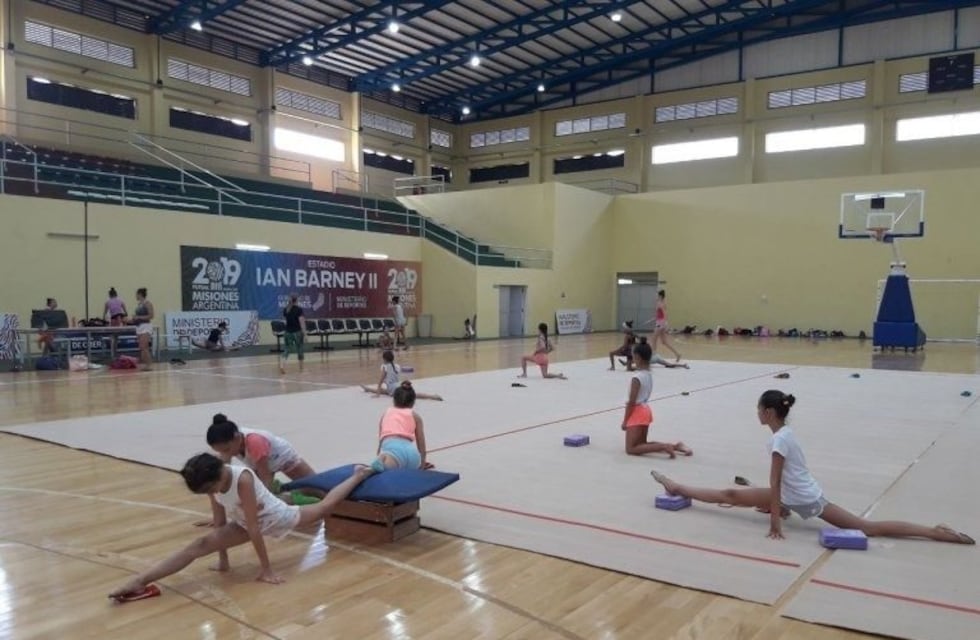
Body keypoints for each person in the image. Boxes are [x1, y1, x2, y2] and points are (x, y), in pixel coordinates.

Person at [650, 390, 975, 544]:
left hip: (804, 497)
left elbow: (776, 486)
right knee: (732, 493)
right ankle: (677, 486)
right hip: (796, 495)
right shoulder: (784, 432)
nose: (757, 413)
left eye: (758, 409)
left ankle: (936, 532)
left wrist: (776, 522)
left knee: (867, 527)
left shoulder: (779, 441)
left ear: (768, 412)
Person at [108, 454, 372, 601]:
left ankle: (358, 474)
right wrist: (223, 559)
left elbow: (256, 530)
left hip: (276, 517)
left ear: (217, 477)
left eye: (209, 489)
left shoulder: (241, 479)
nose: (210, 494)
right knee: (198, 546)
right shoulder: (211, 481)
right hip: (245, 521)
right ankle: (140, 581)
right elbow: (219, 519)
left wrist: (266, 570)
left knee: (324, 508)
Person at [622, 339, 693, 457]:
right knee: (642, 444)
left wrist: (625, 420)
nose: (632, 358)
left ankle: (664, 446)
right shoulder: (648, 374)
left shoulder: (636, 378)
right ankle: (676, 446)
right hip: (645, 410)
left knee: (631, 449)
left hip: (637, 412)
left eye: (633, 356)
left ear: (638, 357)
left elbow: (631, 402)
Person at [369, 381, 434, 472]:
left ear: (393, 400)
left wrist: (379, 453)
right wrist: (422, 463)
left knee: (381, 465)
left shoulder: (386, 413)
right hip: (412, 454)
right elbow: (421, 444)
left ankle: (380, 460)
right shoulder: (416, 416)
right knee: (408, 465)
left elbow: (381, 438)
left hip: (394, 453)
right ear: (413, 402)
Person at [361, 350, 443, 400]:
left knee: (384, 391)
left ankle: (368, 389)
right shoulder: (397, 365)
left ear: (385, 359)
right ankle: (432, 396)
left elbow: (380, 382)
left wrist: (377, 395)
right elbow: (404, 370)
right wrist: (411, 369)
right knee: (413, 394)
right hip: (398, 385)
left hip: (393, 388)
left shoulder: (384, 367)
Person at [644, 290, 682, 362]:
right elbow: (658, 315)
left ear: (660, 296)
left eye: (657, 295)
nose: (656, 296)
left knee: (653, 339)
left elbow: (664, 314)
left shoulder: (661, 304)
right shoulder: (660, 303)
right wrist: (651, 320)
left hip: (661, 323)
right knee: (664, 342)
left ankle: (653, 355)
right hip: (660, 322)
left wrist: (664, 323)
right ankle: (677, 354)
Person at [130, 288, 155, 370]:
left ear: (140, 294)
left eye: (136, 294)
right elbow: (138, 318)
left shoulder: (148, 304)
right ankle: (146, 364)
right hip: (139, 326)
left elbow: (151, 316)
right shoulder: (139, 305)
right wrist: (132, 319)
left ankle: (149, 364)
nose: (135, 296)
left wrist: (138, 317)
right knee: (141, 347)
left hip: (146, 326)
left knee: (144, 347)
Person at [280, 294, 305, 374]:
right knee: (300, 349)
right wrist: (305, 333)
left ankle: (282, 365)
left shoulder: (285, 309)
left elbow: (285, 321)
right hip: (297, 332)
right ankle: (301, 369)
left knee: (287, 349)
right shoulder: (299, 309)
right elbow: (301, 322)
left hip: (287, 332)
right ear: (297, 300)